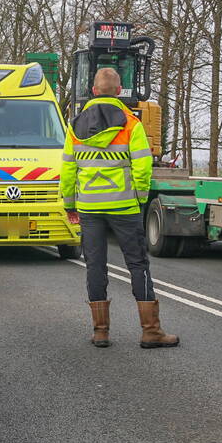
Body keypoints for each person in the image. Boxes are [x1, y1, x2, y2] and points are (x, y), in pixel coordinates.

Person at [60, 68, 178, 349]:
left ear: (93, 90)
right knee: (138, 264)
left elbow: (67, 169)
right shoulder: (130, 123)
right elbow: (142, 165)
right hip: (124, 206)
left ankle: (101, 331)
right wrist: (138, 198)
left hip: (89, 207)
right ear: (119, 90)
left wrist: (69, 204)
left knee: (95, 265)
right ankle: (151, 331)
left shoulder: (74, 125)